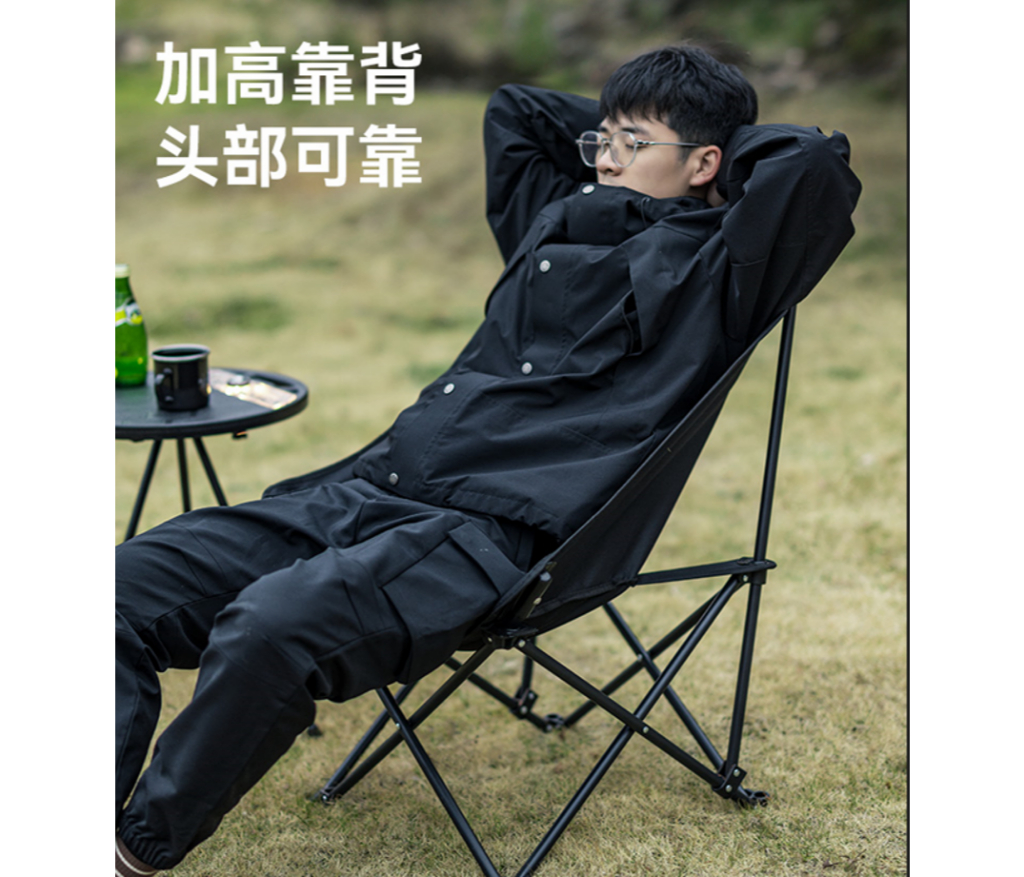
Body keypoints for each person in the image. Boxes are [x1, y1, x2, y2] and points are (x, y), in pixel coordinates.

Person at [115, 44, 861, 875]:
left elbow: (814, 165)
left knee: (270, 625)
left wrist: (709, 158)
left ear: (708, 163)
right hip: (372, 485)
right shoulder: (554, 220)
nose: (606, 157)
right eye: (601, 138)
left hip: (490, 539)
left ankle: (132, 850)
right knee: (115, 588)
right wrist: (641, 140)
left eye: (631, 142)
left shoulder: (718, 273)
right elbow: (516, 110)